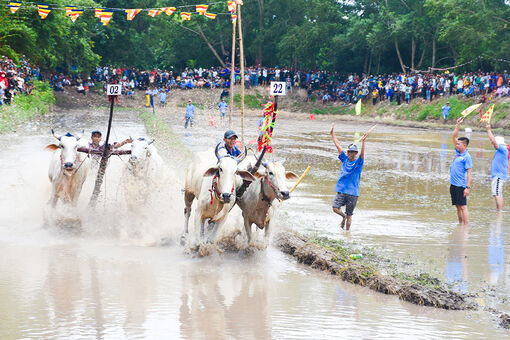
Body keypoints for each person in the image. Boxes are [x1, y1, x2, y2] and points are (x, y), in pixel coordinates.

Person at [330, 123, 369, 230]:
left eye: (353, 152)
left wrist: (363, 142)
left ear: (355, 153)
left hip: (353, 193)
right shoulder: (345, 159)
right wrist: (332, 134)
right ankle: (343, 217)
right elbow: (338, 145)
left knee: (350, 215)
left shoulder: (358, 163)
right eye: (349, 152)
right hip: (342, 190)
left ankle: (347, 233)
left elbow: (362, 155)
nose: (351, 154)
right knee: (335, 208)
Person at [450, 117, 472, 225]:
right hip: (453, 184)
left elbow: (469, 173)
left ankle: (466, 227)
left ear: (464, 145)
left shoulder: (467, 156)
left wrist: (467, 187)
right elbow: (454, 136)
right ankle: (460, 225)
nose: (456, 145)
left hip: (461, 185)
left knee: (463, 207)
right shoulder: (458, 152)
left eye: (458, 144)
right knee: (458, 207)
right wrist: (458, 124)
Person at [486, 124, 508, 210]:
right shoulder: (501, 150)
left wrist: (488, 130)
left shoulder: (502, 148)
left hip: (498, 176)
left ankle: (499, 212)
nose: (492, 143)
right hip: (497, 175)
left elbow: (493, 141)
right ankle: (499, 211)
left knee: (497, 194)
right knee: (497, 193)